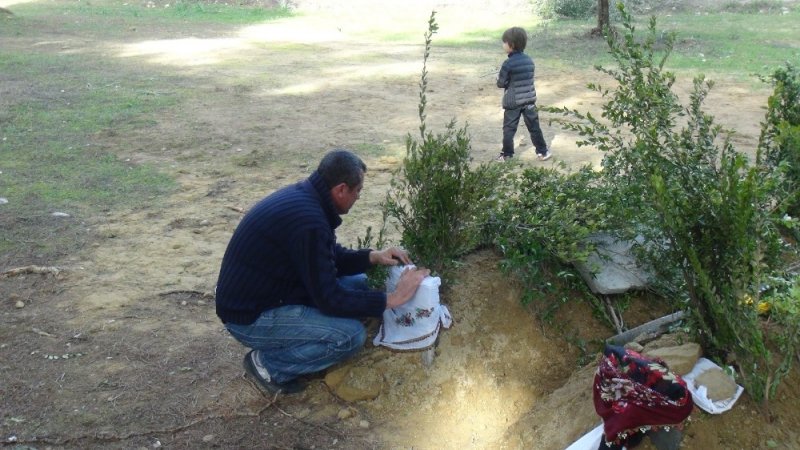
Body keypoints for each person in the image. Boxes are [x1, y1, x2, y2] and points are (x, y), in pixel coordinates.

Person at [215, 149, 430, 394]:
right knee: (350, 337)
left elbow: (326, 258)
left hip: (273, 292)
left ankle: (302, 339)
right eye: (357, 190)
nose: (359, 197)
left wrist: (372, 257)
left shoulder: (308, 200)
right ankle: (269, 365)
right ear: (341, 190)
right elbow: (329, 299)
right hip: (250, 316)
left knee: (359, 284)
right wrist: (395, 298)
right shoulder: (310, 221)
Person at [495, 26, 552, 162]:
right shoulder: (529, 61)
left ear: (511, 45)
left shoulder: (507, 63)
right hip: (529, 101)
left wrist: (498, 78)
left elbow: (501, 83)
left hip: (513, 102)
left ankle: (507, 155)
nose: (503, 45)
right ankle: (543, 152)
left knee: (509, 129)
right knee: (534, 127)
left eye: (504, 42)